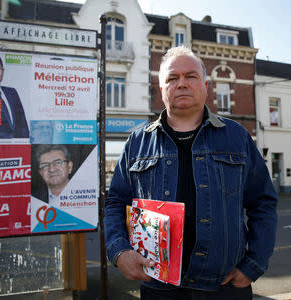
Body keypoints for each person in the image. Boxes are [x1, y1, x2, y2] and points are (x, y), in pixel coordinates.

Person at [104, 46, 277, 300]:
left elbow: (263, 203)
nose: (182, 83)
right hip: (157, 286)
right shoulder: (137, 142)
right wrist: (119, 251)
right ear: (162, 89)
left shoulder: (237, 137)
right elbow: (115, 202)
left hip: (225, 287)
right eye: (172, 78)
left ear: (205, 85)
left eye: (191, 76)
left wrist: (254, 264)